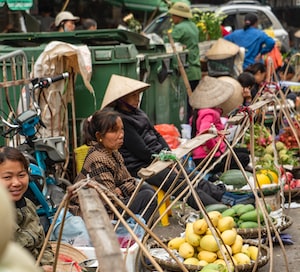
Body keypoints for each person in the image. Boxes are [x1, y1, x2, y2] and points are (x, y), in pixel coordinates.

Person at [100, 74, 232, 208]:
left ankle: (222, 196)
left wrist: (170, 156)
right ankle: (215, 208)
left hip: (159, 158)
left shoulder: (138, 113)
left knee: (189, 174)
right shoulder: (121, 120)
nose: (137, 98)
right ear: (122, 99)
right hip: (141, 165)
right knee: (179, 182)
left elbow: (157, 135)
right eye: (133, 95)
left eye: (138, 94)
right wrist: (163, 161)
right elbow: (141, 151)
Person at [0, 146, 93, 272]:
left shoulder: (27, 205)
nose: (16, 183)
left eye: (21, 175)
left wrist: (48, 268)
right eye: (7, 177)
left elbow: (43, 244)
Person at [74, 108, 157, 224]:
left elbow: (129, 180)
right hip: (99, 213)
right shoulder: (97, 159)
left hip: (111, 202)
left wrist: (121, 190)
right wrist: (122, 189)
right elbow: (111, 201)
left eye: (121, 129)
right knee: (148, 197)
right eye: (114, 131)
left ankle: (135, 233)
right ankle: (134, 236)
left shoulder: (114, 152)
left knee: (146, 188)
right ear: (99, 136)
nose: (121, 135)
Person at [189, 76, 250, 175]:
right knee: (244, 158)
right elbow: (205, 132)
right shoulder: (208, 113)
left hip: (211, 154)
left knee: (243, 151)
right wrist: (214, 148)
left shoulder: (203, 111)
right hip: (207, 160)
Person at [168, 2, 201, 117]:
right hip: (196, 70)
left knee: (185, 107)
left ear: (179, 16)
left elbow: (167, 44)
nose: (172, 18)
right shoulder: (193, 26)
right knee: (192, 104)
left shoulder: (179, 28)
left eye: (173, 15)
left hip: (186, 72)